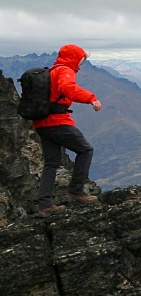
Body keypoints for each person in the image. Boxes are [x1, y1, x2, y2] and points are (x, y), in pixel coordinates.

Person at [34, 44, 102, 215]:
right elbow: (67, 88)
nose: (81, 63)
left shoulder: (50, 71)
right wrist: (91, 98)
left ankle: (45, 205)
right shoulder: (65, 71)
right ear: (74, 58)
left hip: (41, 123)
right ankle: (76, 191)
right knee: (85, 150)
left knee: (51, 164)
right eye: (81, 59)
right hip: (57, 122)